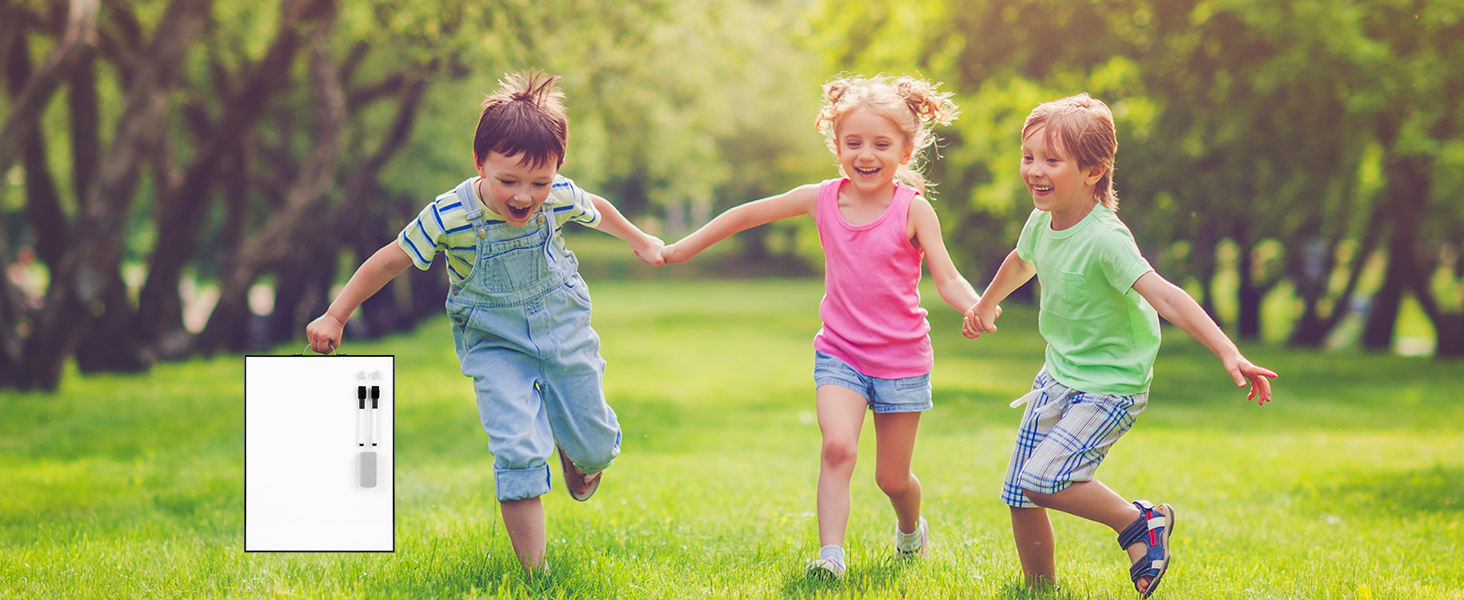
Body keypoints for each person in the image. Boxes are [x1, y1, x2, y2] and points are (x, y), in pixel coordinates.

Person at [305, 70, 665, 572]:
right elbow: (390, 259)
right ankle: (535, 576)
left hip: (563, 329)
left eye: (540, 182)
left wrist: (639, 239)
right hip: (494, 343)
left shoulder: (557, 195)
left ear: (557, 170)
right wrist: (336, 313)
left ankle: (575, 451)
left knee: (598, 446)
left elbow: (597, 210)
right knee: (516, 451)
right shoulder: (450, 215)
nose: (524, 196)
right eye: (508, 181)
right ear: (480, 164)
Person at [662, 74, 984, 579]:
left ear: (905, 149)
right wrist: (681, 248)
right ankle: (830, 557)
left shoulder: (913, 210)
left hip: (902, 360)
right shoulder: (822, 198)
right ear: (836, 145)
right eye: (853, 142)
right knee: (837, 447)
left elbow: (947, 276)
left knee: (892, 479)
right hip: (841, 353)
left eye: (881, 143)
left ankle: (909, 532)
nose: (866, 154)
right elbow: (746, 216)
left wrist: (976, 306)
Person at [962, 93, 1277, 597]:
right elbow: (1022, 261)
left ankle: (1141, 523)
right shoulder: (1042, 219)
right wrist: (986, 304)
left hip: (1110, 385)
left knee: (1043, 479)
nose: (1034, 170)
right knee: (1021, 493)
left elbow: (1166, 298)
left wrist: (1227, 350)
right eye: (1029, 157)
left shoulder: (1106, 239)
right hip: (1060, 375)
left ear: (1093, 171)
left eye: (1051, 159)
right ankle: (1038, 590)